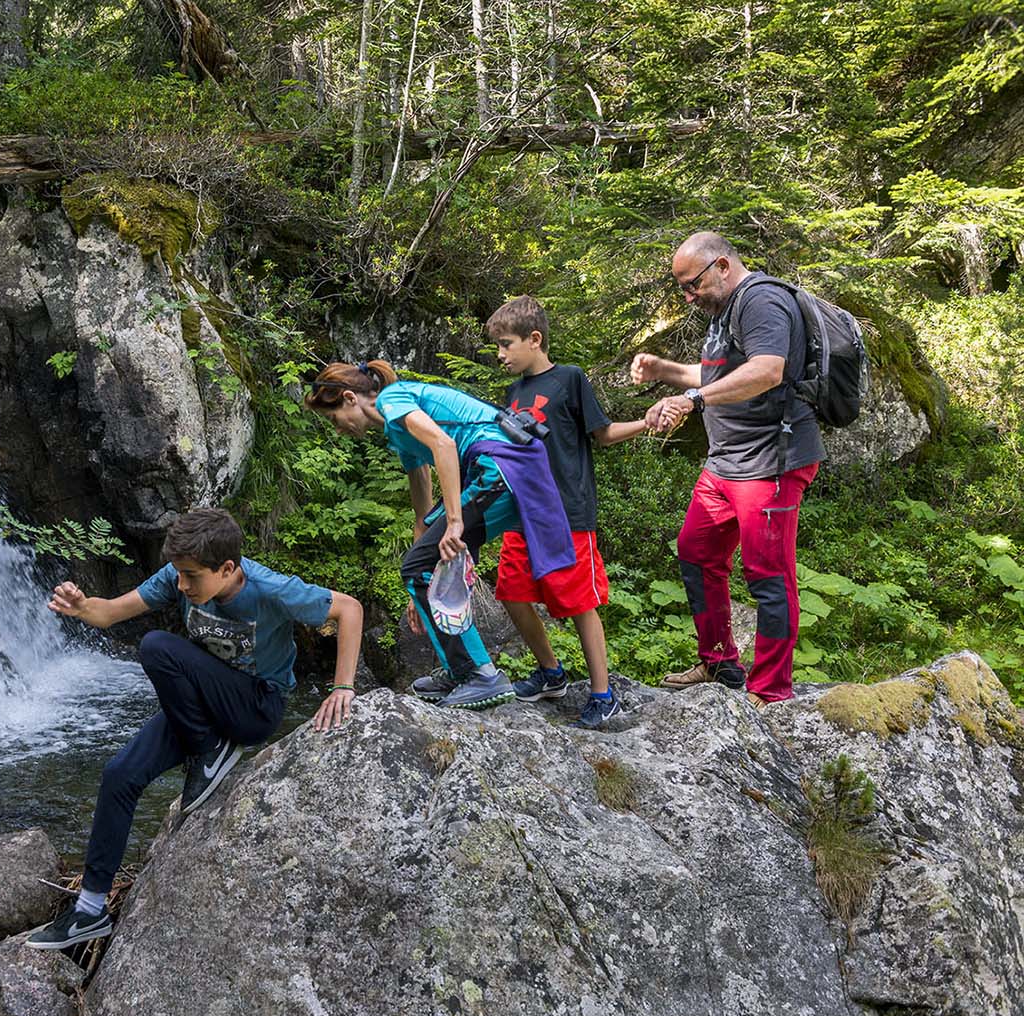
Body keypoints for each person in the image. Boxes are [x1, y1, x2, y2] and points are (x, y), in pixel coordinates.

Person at [26, 507, 362, 950]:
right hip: (204, 703)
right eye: (178, 575)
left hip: (255, 706)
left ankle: (211, 751)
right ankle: (89, 910)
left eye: (190, 577)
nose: (181, 585)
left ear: (227, 569)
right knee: (119, 775)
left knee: (157, 646)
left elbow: (349, 609)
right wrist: (82, 605)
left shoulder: (270, 589)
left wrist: (342, 687)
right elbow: (110, 614)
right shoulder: (178, 576)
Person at [305, 359, 574, 711]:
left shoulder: (393, 400)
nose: (338, 429)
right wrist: (419, 591)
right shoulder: (395, 431)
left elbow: (444, 446)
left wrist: (455, 522)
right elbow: (422, 503)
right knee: (422, 566)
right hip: (502, 471)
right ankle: (461, 669)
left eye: (333, 418)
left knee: (420, 563)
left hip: (500, 469)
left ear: (350, 398)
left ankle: (481, 674)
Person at [630, 231, 823, 706]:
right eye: (681, 288)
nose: (687, 295)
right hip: (727, 461)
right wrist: (665, 370)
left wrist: (692, 399)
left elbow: (767, 370)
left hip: (770, 462)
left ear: (721, 265)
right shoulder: (722, 311)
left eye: (691, 284)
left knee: (768, 573)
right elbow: (719, 376)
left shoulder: (761, 301)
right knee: (696, 551)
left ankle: (771, 688)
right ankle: (718, 662)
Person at [487, 296, 648, 728]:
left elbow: (604, 433)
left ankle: (603, 693)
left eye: (505, 345)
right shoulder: (513, 391)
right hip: (522, 514)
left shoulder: (570, 379)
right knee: (512, 593)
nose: (500, 355)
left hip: (566, 514)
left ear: (534, 339)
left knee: (579, 601)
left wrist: (647, 422)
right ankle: (550, 674)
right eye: (497, 347)